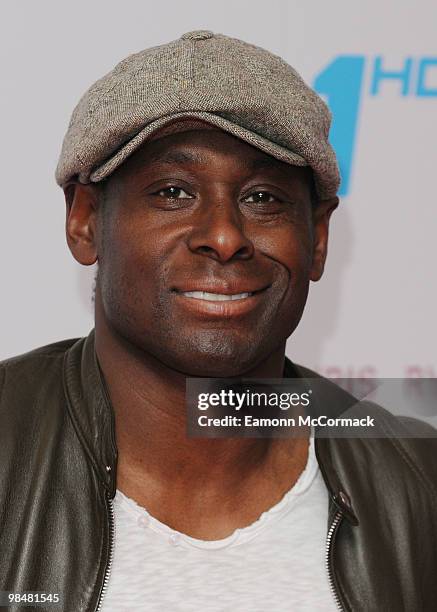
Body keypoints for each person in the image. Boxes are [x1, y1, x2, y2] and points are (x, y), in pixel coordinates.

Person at [0, 30, 436, 612]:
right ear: (85, 221)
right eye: (173, 192)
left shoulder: (418, 480)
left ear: (319, 238)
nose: (225, 237)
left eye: (263, 198)